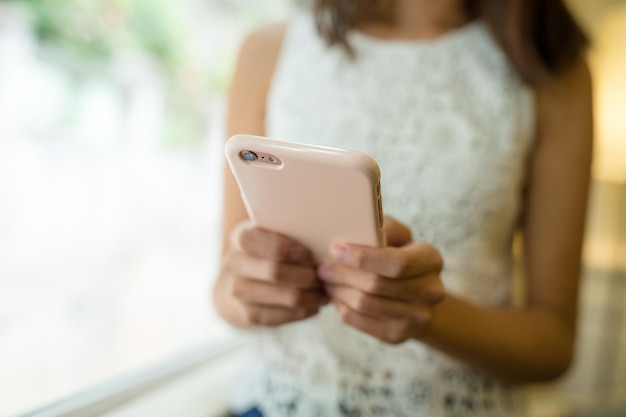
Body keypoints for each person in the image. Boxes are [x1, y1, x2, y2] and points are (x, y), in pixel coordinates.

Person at [213, 0, 592, 416]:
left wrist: (429, 315)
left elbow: (553, 346)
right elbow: (226, 293)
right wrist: (254, 287)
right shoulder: (268, 50)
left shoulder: (548, 68)